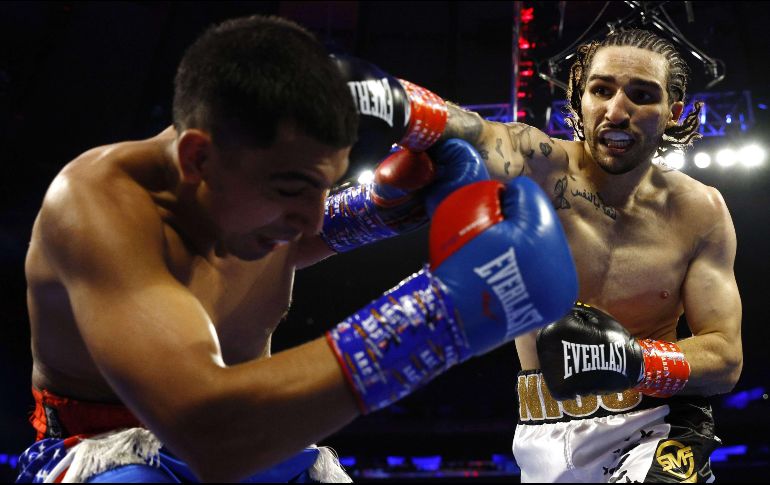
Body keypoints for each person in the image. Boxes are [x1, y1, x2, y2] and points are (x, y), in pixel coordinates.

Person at [16, 14, 578, 483]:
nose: (310, 215)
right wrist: (443, 318)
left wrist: (379, 208)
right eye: (291, 188)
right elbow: (211, 432)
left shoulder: (245, 203)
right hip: (111, 452)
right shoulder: (94, 207)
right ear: (198, 160)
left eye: (323, 185)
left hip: (265, 444)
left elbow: (301, 232)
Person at [436, 28, 742, 482]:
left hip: (655, 428)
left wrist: (634, 360)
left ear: (671, 112)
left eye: (641, 95)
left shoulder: (700, 210)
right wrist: (387, 100)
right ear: (580, 99)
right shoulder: (534, 166)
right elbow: (460, 133)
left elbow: (724, 357)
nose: (617, 112)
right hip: (541, 434)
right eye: (601, 90)